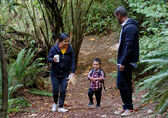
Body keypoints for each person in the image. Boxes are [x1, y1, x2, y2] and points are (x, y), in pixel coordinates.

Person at [114, 6, 139, 116]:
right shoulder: (127, 26)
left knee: (121, 83)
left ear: (119, 15)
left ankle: (129, 107)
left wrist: (123, 62)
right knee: (125, 83)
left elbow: (129, 47)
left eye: (116, 16)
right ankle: (126, 106)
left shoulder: (130, 27)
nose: (117, 19)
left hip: (127, 61)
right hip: (125, 60)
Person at [47, 32, 75, 112]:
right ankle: (55, 103)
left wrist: (72, 72)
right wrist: (53, 60)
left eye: (67, 41)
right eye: (65, 41)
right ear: (60, 41)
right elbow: (48, 58)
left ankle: (61, 107)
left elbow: (72, 61)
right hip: (54, 73)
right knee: (55, 90)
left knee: (63, 90)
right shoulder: (54, 49)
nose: (67, 43)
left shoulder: (69, 49)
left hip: (65, 73)